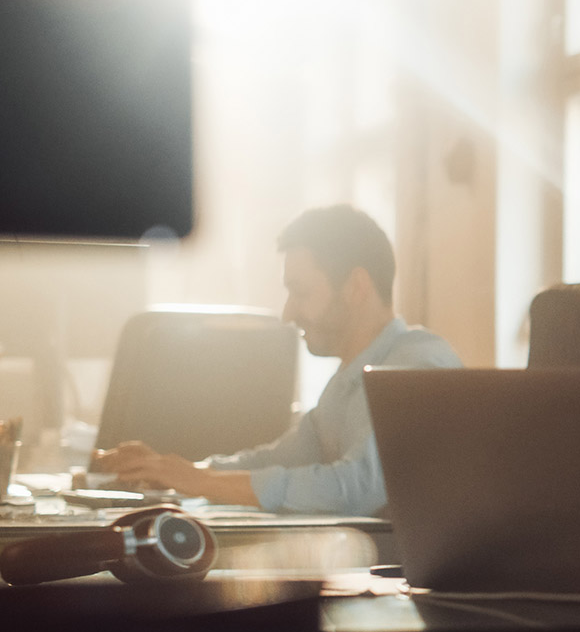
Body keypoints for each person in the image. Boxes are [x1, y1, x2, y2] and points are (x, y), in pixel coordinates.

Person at [92, 205, 461, 516]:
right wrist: (173, 469)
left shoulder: (417, 363)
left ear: (355, 287)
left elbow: (356, 487)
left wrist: (199, 481)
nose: (287, 313)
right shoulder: (345, 385)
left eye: (299, 292)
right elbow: (283, 459)